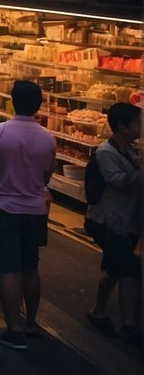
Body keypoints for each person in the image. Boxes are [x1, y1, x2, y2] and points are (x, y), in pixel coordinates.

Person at [0, 80, 57, 349]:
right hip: (35, 209)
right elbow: (47, 175)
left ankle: (13, 328)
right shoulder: (48, 138)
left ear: (13, 101)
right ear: (39, 105)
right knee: (30, 266)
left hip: (5, 207)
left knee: (8, 269)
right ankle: (31, 323)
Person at [86, 101, 141, 345]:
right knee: (129, 270)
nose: (141, 127)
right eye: (138, 123)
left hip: (126, 221)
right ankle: (130, 324)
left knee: (113, 269)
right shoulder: (105, 152)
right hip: (107, 221)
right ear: (122, 126)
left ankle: (97, 311)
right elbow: (119, 182)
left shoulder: (130, 149)